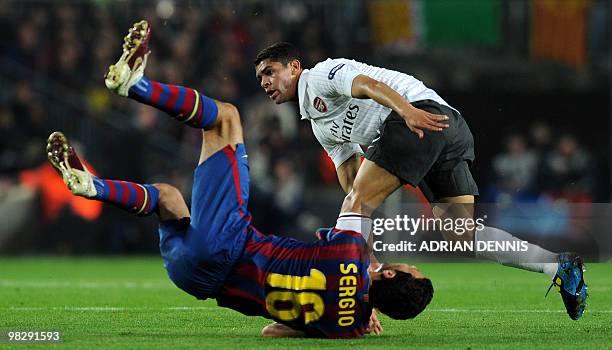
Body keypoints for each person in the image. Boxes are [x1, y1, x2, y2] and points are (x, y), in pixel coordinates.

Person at [46, 20, 434, 338]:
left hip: (230, 247)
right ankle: (93, 186)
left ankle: (136, 86)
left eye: (410, 268)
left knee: (225, 117)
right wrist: (360, 310)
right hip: (196, 280)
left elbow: (356, 203)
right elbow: (272, 332)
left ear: (392, 273)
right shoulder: (344, 327)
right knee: (166, 197)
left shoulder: (351, 253)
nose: (408, 264)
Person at [253, 42, 587, 320]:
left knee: (358, 203)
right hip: (445, 127)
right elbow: (350, 175)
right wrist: (362, 238)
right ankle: (556, 265)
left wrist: (407, 112)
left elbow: (370, 85)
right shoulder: (319, 124)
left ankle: (350, 299)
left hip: (416, 117)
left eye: (270, 71)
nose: (265, 82)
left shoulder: (323, 74)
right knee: (460, 234)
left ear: (294, 66)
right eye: (260, 78)